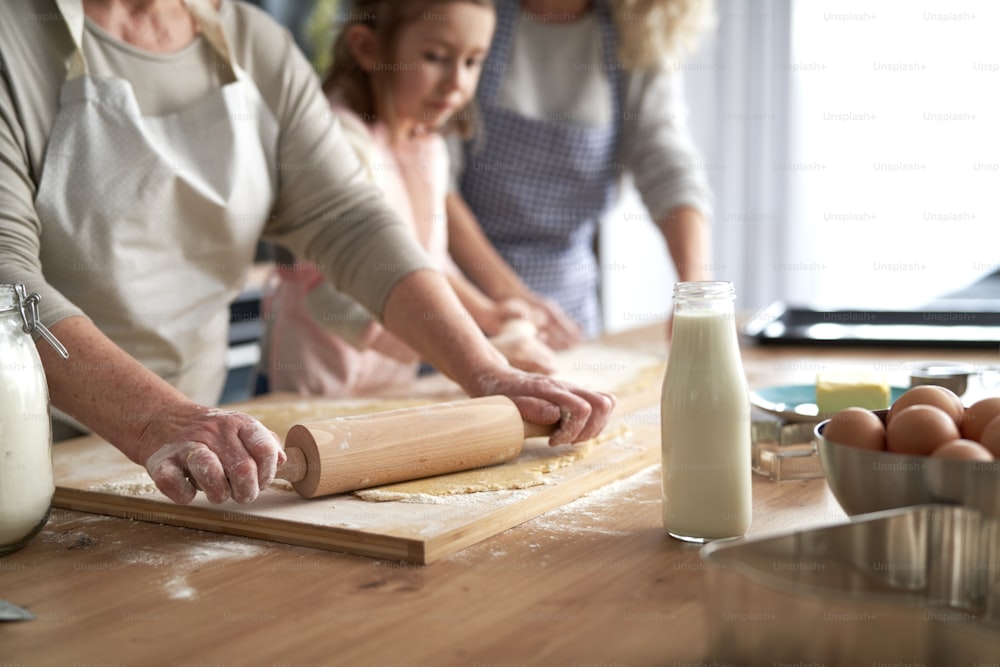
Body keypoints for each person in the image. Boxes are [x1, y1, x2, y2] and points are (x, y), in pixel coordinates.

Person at [0, 0, 613, 507]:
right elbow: (7, 284)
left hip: (199, 456)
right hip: (28, 455)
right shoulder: (16, 37)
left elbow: (350, 220)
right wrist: (156, 419)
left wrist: (486, 371)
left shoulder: (252, 42)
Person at [261, 0, 557, 398]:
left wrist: (485, 313)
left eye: (472, 62)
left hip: (389, 388)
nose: (457, 82)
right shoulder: (338, 142)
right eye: (436, 57)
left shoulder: (427, 144)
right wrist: (476, 352)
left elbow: (426, 263)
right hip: (313, 388)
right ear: (368, 49)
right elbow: (326, 293)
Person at [447, 0, 716, 341]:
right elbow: (433, 182)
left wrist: (697, 291)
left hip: (570, 316)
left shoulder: (637, 31)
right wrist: (510, 298)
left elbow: (665, 160)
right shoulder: (471, 14)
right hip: (460, 303)